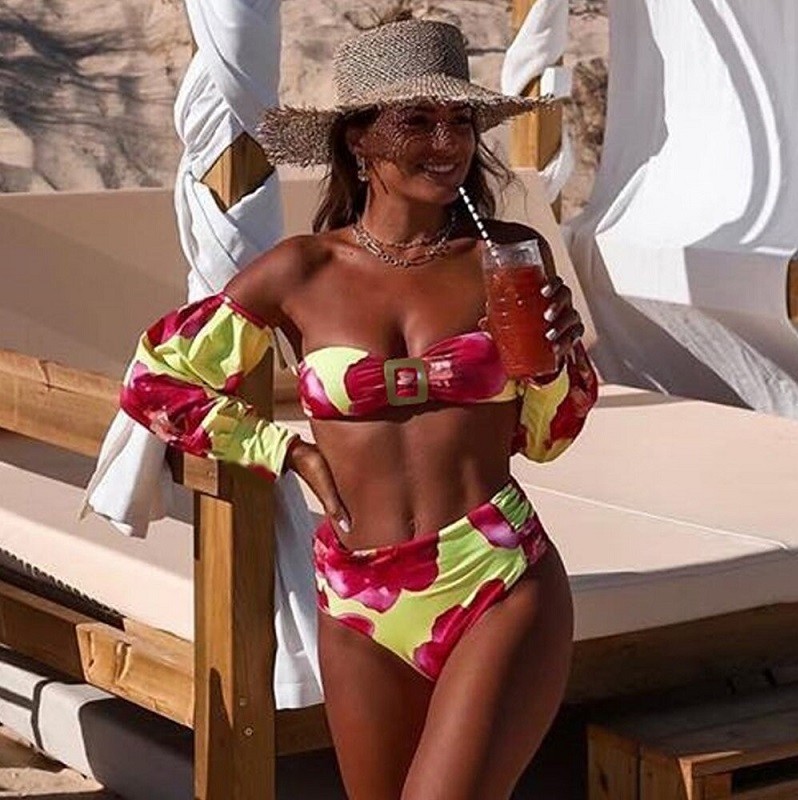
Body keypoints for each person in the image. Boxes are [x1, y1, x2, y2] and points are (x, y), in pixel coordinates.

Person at [120, 17, 597, 800]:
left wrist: (555, 363)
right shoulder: (301, 273)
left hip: (495, 574)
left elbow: (546, 440)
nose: (447, 142)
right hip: (356, 598)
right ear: (359, 141)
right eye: (418, 120)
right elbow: (156, 378)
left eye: (460, 121)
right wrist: (285, 451)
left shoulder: (504, 256)